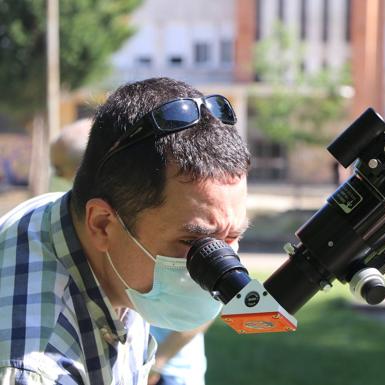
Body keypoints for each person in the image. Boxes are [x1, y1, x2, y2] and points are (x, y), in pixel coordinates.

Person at [0, 77, 250, 384]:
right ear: (102, 224)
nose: (218, 265)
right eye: (191, 241)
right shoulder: (38, 368)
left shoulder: (71, 227)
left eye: (231, 237)